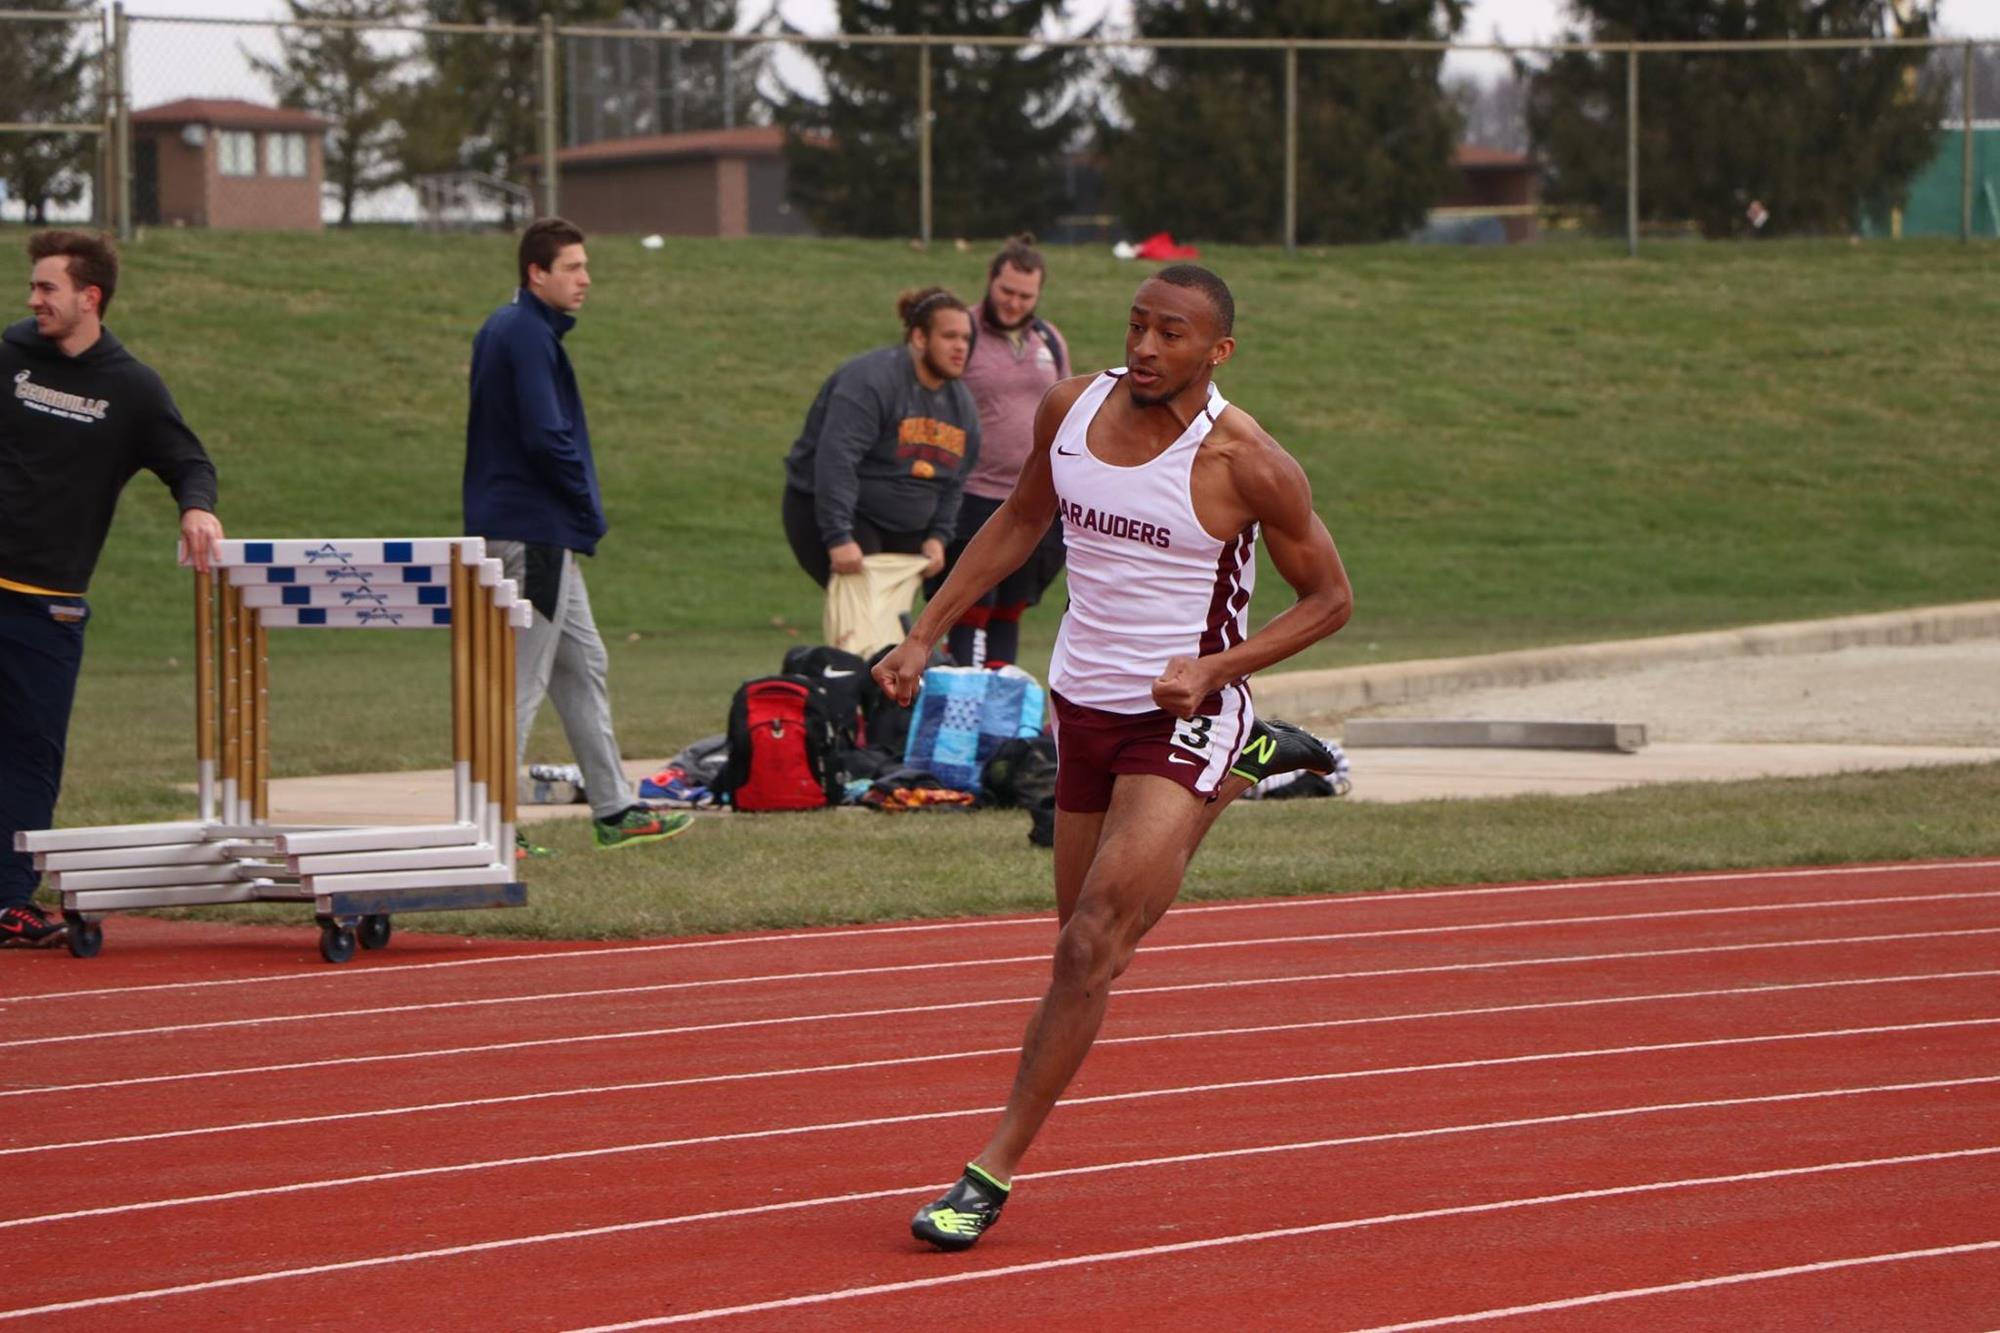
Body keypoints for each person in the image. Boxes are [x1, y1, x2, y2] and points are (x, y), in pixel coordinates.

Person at [874, 265, 1354, 1250]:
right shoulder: (1069, 405)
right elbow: (1015, 522)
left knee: (1091, 942)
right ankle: (1240, 769)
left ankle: (987, 1172)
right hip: (1079, 706)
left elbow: (1328, 599)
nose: (1142, 347)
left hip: (1180, 711)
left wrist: (1216, 667)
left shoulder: (1245, 461)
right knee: (1077, 952)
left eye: (1168, 333)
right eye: (1135, 326)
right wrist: (923, 634)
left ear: (1214, 350)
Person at [1, 230, 224, 947]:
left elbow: (188, 460)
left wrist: (196, 505)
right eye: (33, 287)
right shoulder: (7, 359)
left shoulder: (131, 387)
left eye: (47, 288)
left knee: (31, 754)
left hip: (48, 602)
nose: (33, 299)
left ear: (89, 297)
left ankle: (8, 901)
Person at [464, 217, 691, 852]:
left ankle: (616, 808)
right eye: (572, 267)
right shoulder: (526, 333)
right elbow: (545, 434)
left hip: (534, 530)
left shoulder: (510, 328)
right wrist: (584, 505)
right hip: (531, 531)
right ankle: (487, 826)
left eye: (586, 266)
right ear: (537, 272)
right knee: (523, 678)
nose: (586, 279)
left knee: (583, 661)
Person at [781, 288, 980, 593]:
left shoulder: (962, 405)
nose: (960, 347)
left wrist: (938, 536)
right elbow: (837, 459)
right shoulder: (871, 381)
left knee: (893, 632)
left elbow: (955, 480)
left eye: (966, 338)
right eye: (949, 336)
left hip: (907, 527)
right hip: (844, 514)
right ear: (919, 338)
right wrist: (839, 537)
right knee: (865, 625)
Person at [935, 234, 1070, 669]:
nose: (1014, 303)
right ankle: (962, 699)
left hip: (1030, 496)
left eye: (1025, 295)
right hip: (974, 493)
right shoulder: (963, 334)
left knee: (1010, 607)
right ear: (990, 281)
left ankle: (1000, 704)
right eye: (1006, 291)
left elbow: (1065, 405)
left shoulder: (1048, 340)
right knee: (971, 605)